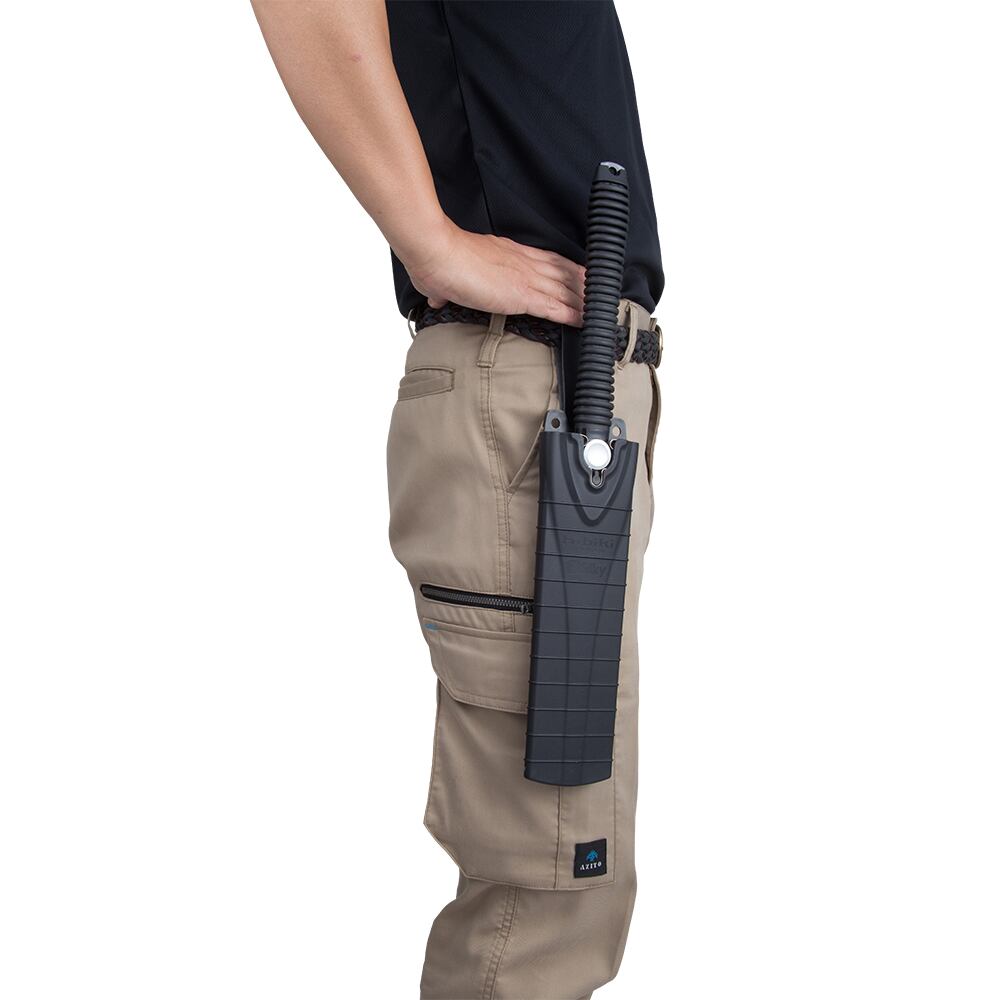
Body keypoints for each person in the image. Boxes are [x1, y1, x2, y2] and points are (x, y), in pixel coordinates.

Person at [252, 3, 663, 997]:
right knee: (545, 890)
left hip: (575, 393)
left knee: (568, 873)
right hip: (535, 394)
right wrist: (430, 242)